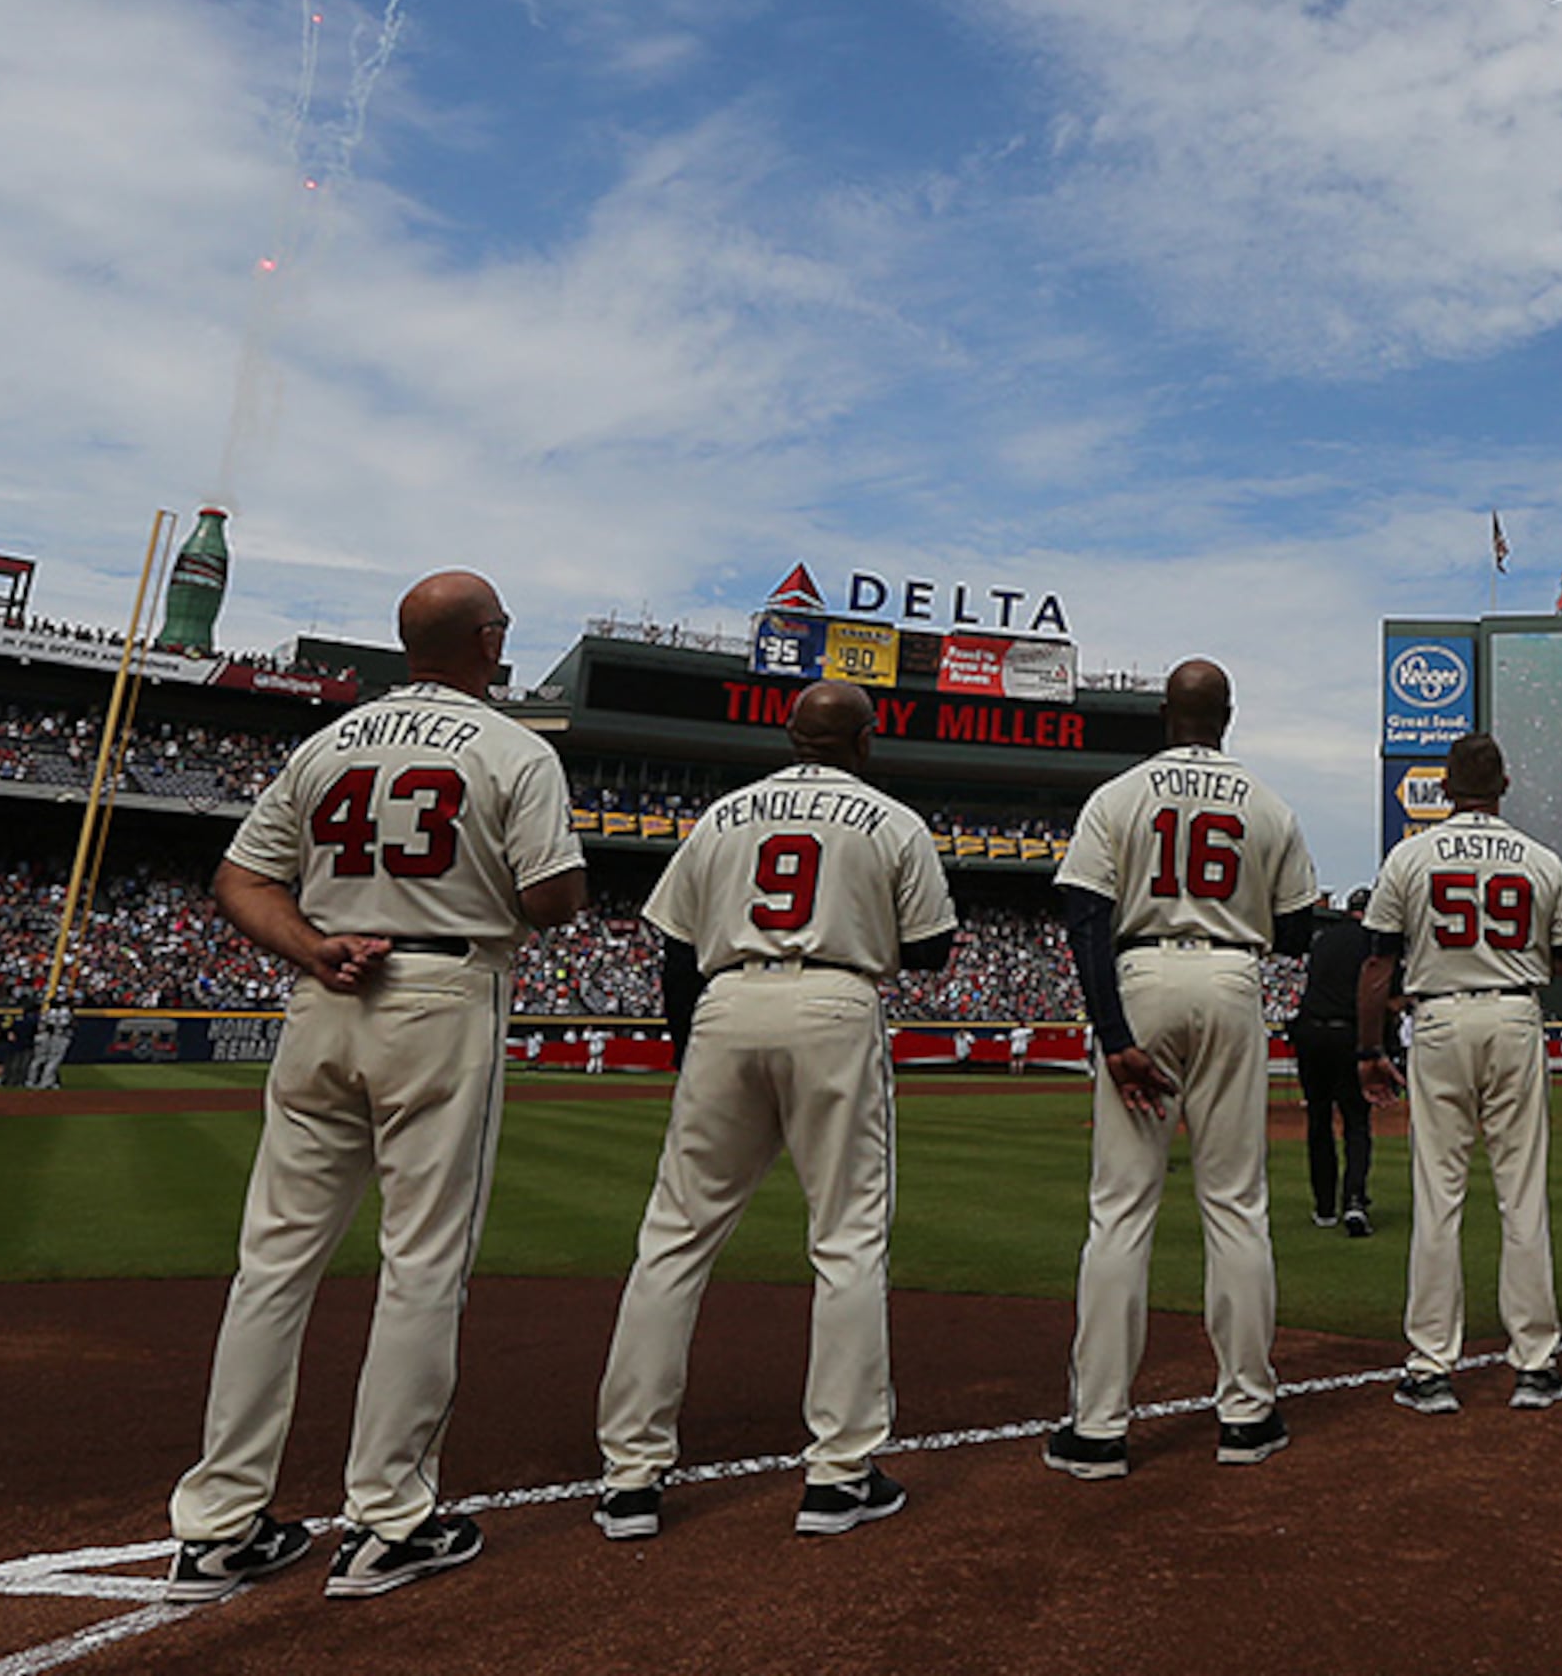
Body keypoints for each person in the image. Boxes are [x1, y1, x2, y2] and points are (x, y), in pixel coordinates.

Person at [168, 572, 586, 1604]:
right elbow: (552, 897)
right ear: (488, 642)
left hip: (326, 990)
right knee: (422, 1261)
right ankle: (390, 1519)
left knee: (271, 1263)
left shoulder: (328, 743)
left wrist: (314, 946)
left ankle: (218, 1524)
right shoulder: (514, 745)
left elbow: (240, 878)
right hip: (441, 991)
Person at [593, 680, 957, 1541]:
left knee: (672, 1241)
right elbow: (935, 949)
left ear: (790, 736)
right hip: (835, 1000)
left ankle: (629, 1480)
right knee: (847, 1240)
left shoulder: (721, 817)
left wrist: (694, 1051)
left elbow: (676, 950)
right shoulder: (892, 818)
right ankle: (838, 1475)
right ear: (865, 743)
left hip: (726, 1004)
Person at [1045, 658, 1318, 1480]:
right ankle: (1247, 1414)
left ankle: (1097, 1430)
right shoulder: (1267, 802)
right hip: (1233, 979)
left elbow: (1084, 916)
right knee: (1235, 1205)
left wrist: (1112, 1030)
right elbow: (1301, 933)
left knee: (1121, 1209)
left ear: (1165, 713)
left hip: (1141, 978)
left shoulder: (1119, 796)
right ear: (1228, 716)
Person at [1361, 733, 1562, 1412]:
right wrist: (1522, 961)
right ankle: (1536, 1364)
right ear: (1505, 785)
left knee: (1439, 1197)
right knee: (1521, 1196)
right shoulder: (1539, 859)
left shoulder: (1410, 854)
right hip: (1516, 1015)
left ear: (1444, 786)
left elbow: (1378, 963)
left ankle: (1431, 1367)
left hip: (1438, 1019)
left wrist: (1370, 1048)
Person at [1289, 900, 1380, 1235]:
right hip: (1348, 1033)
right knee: (1356, 1121)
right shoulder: (1371, 940)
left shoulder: (1323, 938)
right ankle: (1354, 1201)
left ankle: (1324, 1206)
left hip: (1310, 1031)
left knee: (1318, 1120)